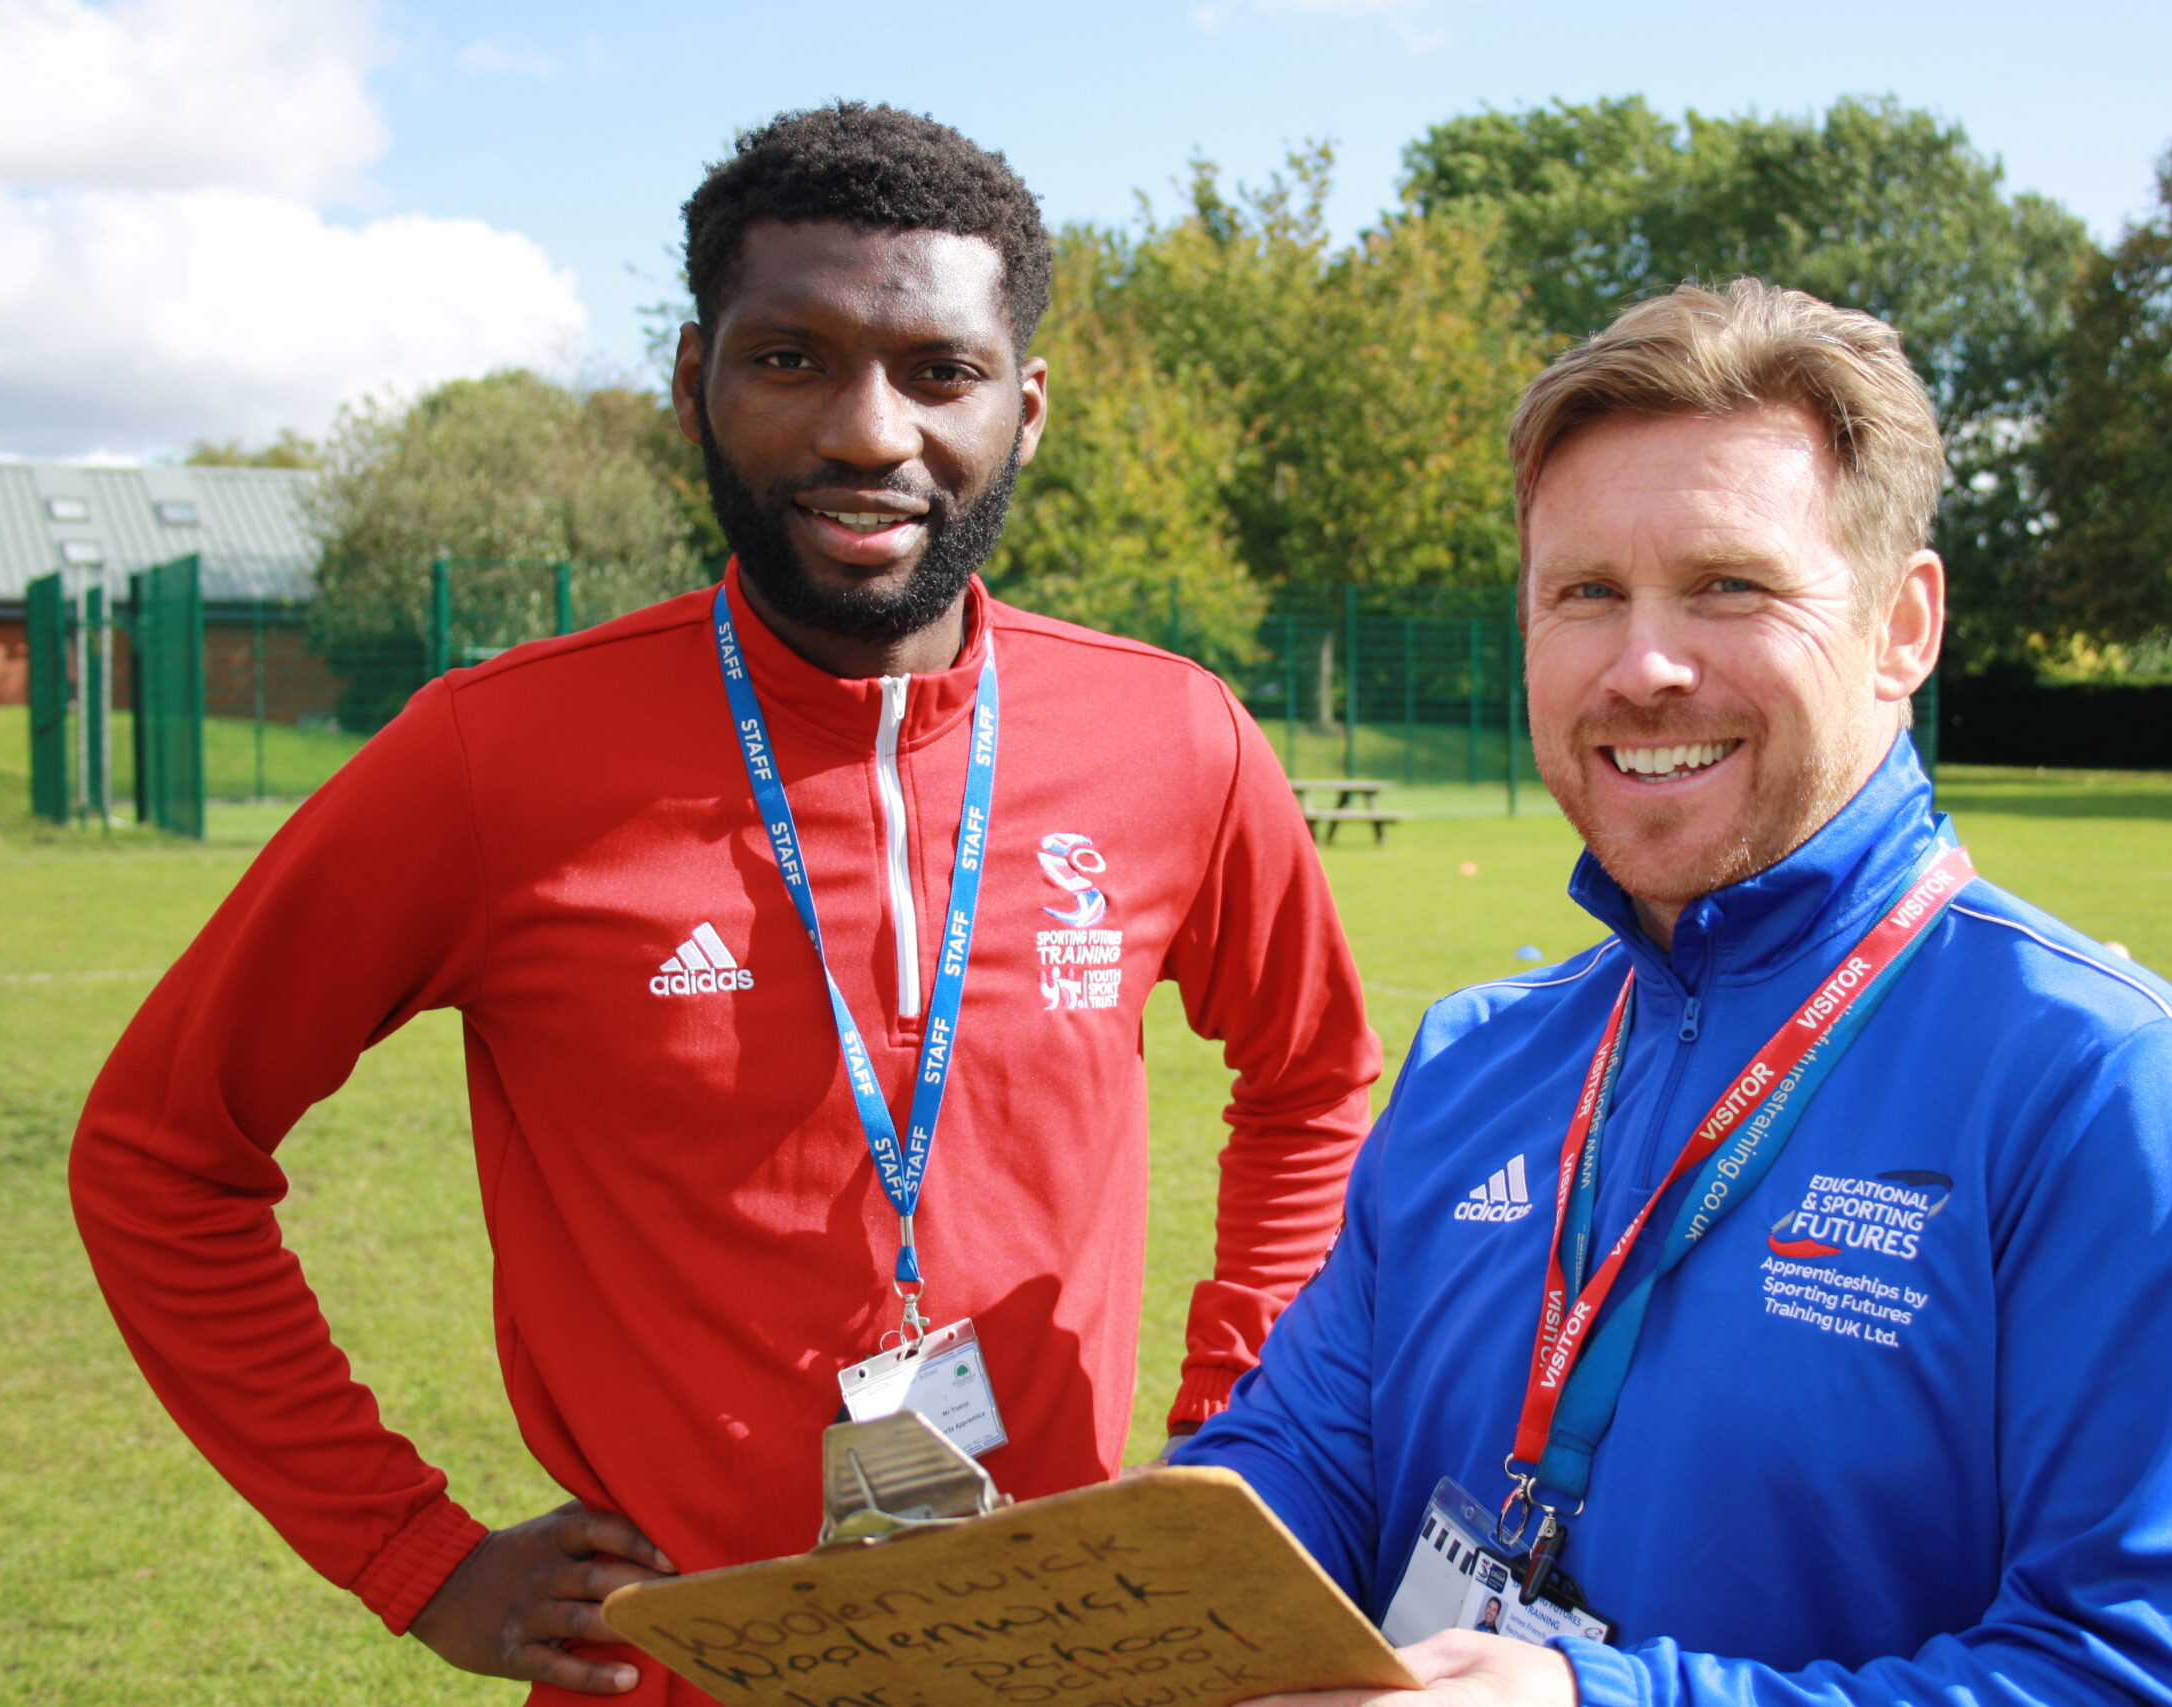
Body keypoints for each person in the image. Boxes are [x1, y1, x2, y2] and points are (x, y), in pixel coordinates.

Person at [69, 103, 1378, 1703]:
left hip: (1067, 1660)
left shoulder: (1173, 737)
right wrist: (412, 1552)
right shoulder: (491, 759)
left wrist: (1234, 1427)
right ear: (693, 384)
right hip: (673, 1674)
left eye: (938, 371)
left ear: (1024, 409)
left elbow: (1311, 1080)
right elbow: (160, 1157)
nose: (868, 431)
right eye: (791, 360)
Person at [1177, 280, 2172, 1707]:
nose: (1645, 664)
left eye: (1730, 584)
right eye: (1585, 592)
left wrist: (1619, 1701)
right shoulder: (1477, 1056)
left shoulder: (2105, 1092)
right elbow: (1309, 1455)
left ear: (1904, 626)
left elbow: (2159, 1678)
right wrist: (1143, 1578)